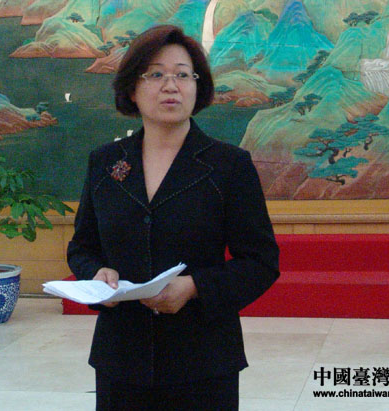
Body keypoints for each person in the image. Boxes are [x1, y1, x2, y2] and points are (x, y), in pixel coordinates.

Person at [67, 24, 280, 411]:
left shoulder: (229, 166)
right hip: (121, 359)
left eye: (183, 75)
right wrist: (96, 274)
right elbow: (82, 248)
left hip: (203, 362)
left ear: (198, 88)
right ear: (133, 89)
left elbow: (261, 262)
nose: (171, 86)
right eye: (155, 74)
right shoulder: (105, 163)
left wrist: (195, 286)